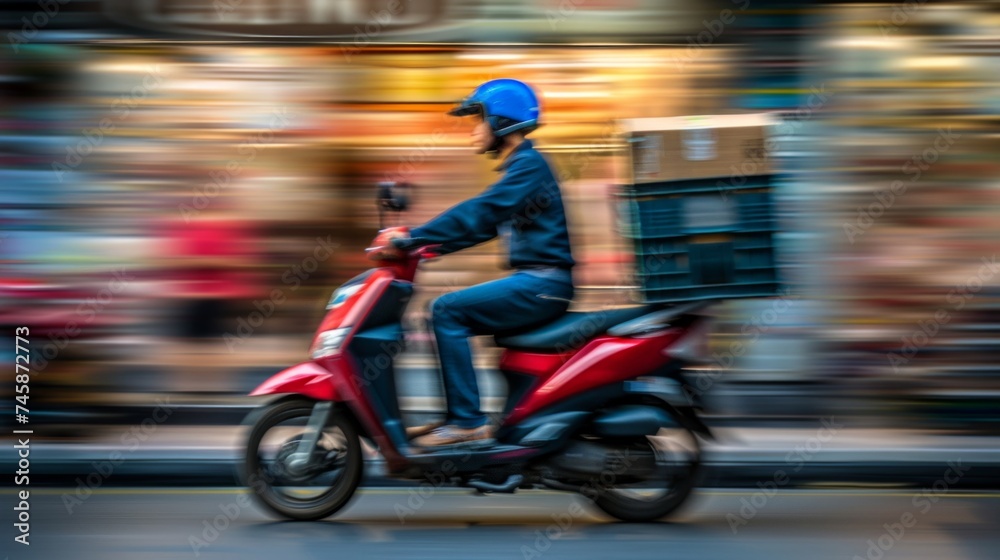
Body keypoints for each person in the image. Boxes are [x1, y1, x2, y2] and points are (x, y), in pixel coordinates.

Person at [370, 78, 575, 447]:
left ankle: (467, 421)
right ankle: (461, 417)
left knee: (446, 311)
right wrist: (426, 248)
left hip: (543, 285)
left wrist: (415, 236)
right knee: (447, 310)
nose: (473, 131)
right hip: (539, 282)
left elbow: (484, 210)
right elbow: (487, 226)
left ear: (501, 122)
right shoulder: (524, 166)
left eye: (477, 120)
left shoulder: (529, 166)